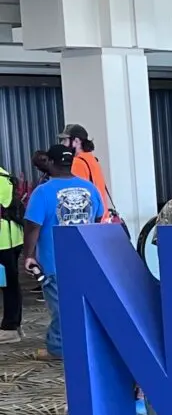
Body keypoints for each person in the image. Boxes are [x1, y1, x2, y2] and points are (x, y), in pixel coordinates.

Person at [21, 145, 104, 361]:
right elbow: (97, 220)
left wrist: (28, 255)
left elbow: (33, 227)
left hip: (54, 262)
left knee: (61, 308)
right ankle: (86, 343)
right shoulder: (89, 188)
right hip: (85, 260)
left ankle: (57, 348)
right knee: (83, 305)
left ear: (50, 162)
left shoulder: (43, 192)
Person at [59, 124, 115, 223]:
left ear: (76, 141)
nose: (62, 144)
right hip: (102, 218)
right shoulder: (92, 159)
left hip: (90, 221)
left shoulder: (77, 163)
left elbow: (77, 195)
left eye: (65, 140)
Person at [0, 162, 22, 342]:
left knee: (8, 284)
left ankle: (10, 326)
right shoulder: (4, 175)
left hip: (4, 241)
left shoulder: (1, 179)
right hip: (10, 238)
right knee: (8, 284)